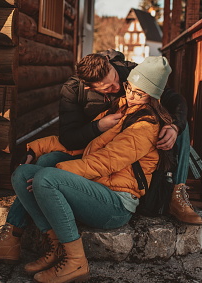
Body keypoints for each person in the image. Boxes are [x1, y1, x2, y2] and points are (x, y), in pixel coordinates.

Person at [0, 51, 202, 263]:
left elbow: (173, 102)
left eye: (119, 82)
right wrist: (36, 146)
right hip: (91, 154)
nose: (119, 89)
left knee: (46, 173)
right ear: (89, 87)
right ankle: (24, 239)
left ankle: (177, 191)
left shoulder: (134, 87)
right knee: (30, 170)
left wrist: (175, 127)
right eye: (110, 88)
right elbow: (70, 139)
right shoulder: (82, 94)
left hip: (115, 185)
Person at [11, 56, 178, 282]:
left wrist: (56, 173)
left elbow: (105, 161)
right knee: (22, 174)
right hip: (96, 189)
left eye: (139, 93)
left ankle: (76, 262)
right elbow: (82, 144)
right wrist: (35, 148)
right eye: (129, 87)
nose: (129, 95)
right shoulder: (121, 109)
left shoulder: (145, 125)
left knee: (46, 178)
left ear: (153, 97)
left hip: (116, 204)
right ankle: (57, 247)